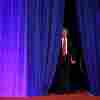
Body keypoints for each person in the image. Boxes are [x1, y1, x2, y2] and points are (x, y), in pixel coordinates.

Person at [48, 28, 79, 94]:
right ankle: (60, 89)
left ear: (67, 33)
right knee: (60, 75)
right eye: (63, 32)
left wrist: (73, 59)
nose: (64, 33)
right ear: (61, 33)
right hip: (59, 60)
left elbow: (73, 50)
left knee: (67, 74)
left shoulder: (70, 41)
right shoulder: (57, 41)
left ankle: (67, 89)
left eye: (65, 32)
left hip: (67, 60)